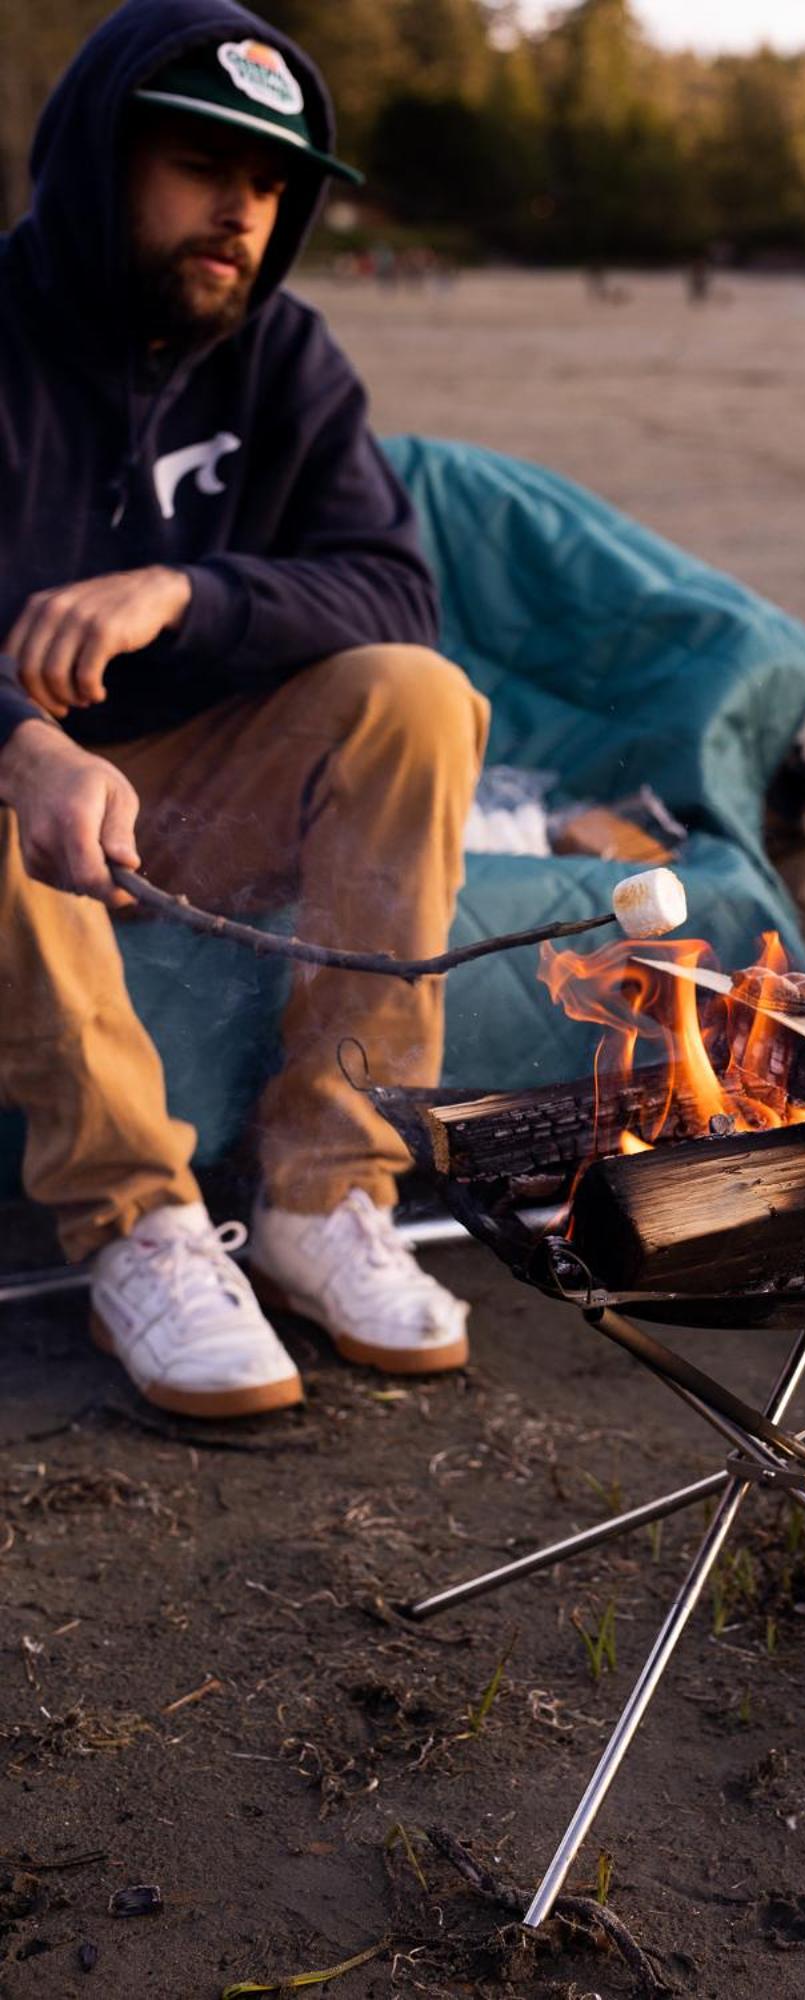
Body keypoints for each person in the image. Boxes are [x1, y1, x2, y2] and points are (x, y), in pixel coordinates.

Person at [0, 0, 491, 1419]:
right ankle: (140, 1226)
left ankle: (327, 1193)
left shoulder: (286, 356)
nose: (242, 212)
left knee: (413, 696)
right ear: (100, 159)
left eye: (271, 184)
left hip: (188, 801)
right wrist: (21, 741)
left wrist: (185, 591)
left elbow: (394, 589)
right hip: (20, 803)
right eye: (204, 166)